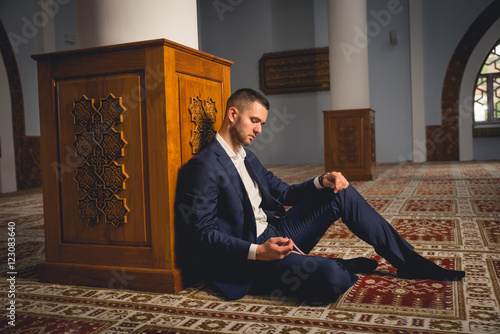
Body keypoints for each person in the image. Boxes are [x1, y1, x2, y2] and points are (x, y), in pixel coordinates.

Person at [176, 88, 465, 303]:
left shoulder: (247, 157)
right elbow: (203, 234)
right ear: (232, 114)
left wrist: (321, 181)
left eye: (262, 123)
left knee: (341, 192)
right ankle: (337, 265)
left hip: (276, 231)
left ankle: (409, 262)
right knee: (331, 278)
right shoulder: (204, 166)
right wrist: (258, 251)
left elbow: (285, 192)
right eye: (254, 121)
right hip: (251, 256)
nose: (260, 130)